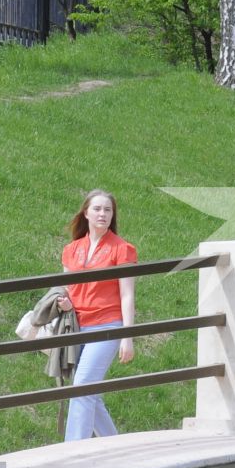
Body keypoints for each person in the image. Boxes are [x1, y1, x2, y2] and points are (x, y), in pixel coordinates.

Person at [61, 189, 137, 441]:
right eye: (97, 209)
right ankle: (116, 446)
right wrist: (64, 303)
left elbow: (127, 294)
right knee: (89, 392)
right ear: (86, 212)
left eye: (107, 209)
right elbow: (67, 288)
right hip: (77, 326)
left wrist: (128, 335)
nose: (102, 214)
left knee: (82, 388)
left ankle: (73, 452)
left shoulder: (122, 249)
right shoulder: (71, 249)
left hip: (108, 325)